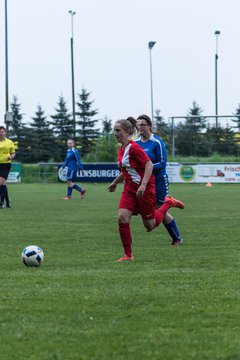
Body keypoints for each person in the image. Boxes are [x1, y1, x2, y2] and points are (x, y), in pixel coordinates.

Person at [107, 117, 184, 262]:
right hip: (129, 189)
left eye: (118, 130)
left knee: (150, 225)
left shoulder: (137, 147)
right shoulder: (122, 149)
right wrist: (115, 182)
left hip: (146, 188)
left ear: (128, 132)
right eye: (114, 130)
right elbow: (127, 170)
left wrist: (143, 185)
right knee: (122, 217)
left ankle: (168, 202)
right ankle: (128, 255)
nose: (115, 133)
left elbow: (149, 165)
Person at [135, 114, 183, 246]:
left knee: (159, 209)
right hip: (144, 181)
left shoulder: (157, 142)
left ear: (149, 126)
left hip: (159, 181)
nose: (140, 127)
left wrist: (145, 168)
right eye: (138, 125)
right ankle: (177, 237)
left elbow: (162, 163)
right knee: (150, 210)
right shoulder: (136, 143)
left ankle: (177, 237)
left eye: (143, 124)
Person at [0, 126, 16, 209]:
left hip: (6, 164)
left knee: (1, 182)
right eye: (0, 132)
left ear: (5, 132)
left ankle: (1, 202)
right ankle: (7, 201)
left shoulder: (9, 142)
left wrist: (11, 157)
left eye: (2, 131)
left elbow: (13, 153)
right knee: (3, 184)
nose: (1, 133)